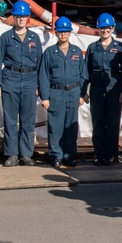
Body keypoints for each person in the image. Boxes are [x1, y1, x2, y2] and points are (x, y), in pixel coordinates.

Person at [0, 0, 43, 166]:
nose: (21, 19)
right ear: (13, 17)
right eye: (18, 16)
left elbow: (40, 64)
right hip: (10, 80)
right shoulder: (6, 37)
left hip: (29, 81)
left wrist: (39, 87)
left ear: (28, 18)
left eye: (24, 16)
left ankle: (26, 154)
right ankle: (11, 154)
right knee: (10, 119)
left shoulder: (34, 38)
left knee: (28, 119)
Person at [39, 16, 87, 168]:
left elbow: (83, 74)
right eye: (60, 32)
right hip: (56, 93)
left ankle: (70, 156)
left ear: (70, 33)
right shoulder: (49, 53)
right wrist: (45, 97)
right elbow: (44, 76)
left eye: (66, 32)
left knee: (71, 126)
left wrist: (82, 94)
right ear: (56, 33)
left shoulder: (77, 52)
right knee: (55, 126)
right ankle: (56, 156)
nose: (63, 34)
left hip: (73, 93)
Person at [85, 12, 122, 165]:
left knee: (112, 121)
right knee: (98, 121)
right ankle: (99, 154)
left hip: (114, 86)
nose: (105, 31)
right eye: (102, 28)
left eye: (108, 28)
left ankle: (112, 154)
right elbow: (87, 71)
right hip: (97, 86)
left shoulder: (119, 47)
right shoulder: (92, 48)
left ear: (113, 28)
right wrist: (84, 91)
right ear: (98, 29)